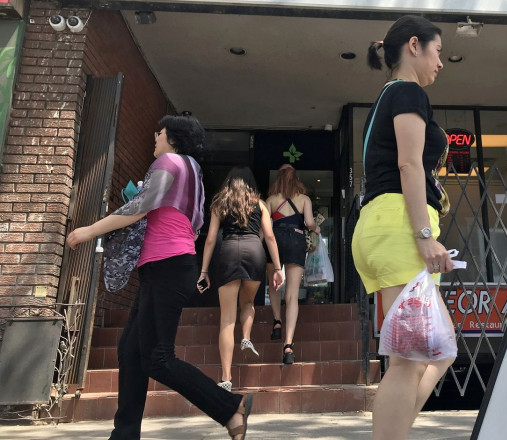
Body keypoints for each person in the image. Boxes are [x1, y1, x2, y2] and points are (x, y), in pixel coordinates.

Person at [66, 115, 251, 440]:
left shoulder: (169, 162)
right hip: (172, 266)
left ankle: (229, 407)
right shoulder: (193, 172)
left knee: (158, 358)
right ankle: (124, 434)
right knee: (130, 350)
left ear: (173, 138)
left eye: (160, 131)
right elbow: (193, 224)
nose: (155, 135)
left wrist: (88, 231)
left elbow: (141, 206)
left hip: (166, 265)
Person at [351, 15, 456, 440]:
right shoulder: (408, 91)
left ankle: (392, 432)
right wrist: (425, 236)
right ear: (414, 45)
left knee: (440, 349)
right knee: (410, 359)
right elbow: (409, 164)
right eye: (438, 51)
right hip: (399, 229)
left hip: (383, 227)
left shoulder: (388, 96)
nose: (441, 63)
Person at [198, 167, 285, 391]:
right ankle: (246, 337)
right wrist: (277, 268)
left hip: (228, 253)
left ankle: (226, 378)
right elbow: (270, 237)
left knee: (227, 319)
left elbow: (210, 240)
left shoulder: (220, 203)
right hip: (255, 253)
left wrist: (204, 271)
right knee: (247, 303)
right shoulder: (260, 204)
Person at [264, 164, 319, 365]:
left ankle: (277, 321)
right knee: (292, 294)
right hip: (296, 239)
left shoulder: (270, 200)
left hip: (275, 240)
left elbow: (265, 228)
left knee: (274, 284)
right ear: (296, 178)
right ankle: (288, 345)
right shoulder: (304, 199)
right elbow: (310, 223)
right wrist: (317, 229)